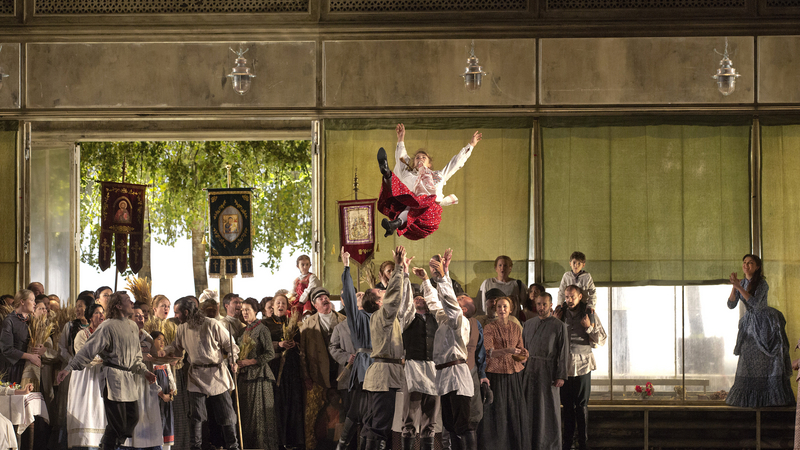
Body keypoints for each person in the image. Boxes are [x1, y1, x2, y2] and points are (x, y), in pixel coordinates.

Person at [57, 292, 157, 450]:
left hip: (129, 379)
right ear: (118, 305)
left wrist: (145, 372)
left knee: (132, 418)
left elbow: (136, 357)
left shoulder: (132, 326)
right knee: (117, 423)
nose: (132, 302)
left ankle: (110, 444)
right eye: (127, 300)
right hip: (114, 379)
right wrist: (68, 369)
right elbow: (87, 350)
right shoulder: (107, 326)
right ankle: (108, 446)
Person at [377, 123, 482, 239]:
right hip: (407, 209)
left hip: (428, 216)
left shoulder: (438, 175)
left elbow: (455, 163)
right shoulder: (408, 173)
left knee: (424, 200)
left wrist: (471, 145)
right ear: (413, 163)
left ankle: (397, 221)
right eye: (417, 158)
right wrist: (400, 138)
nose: (420, 159)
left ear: (429, 164)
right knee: (397, 182)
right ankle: (386, 173)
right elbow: (401, 158)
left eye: (423, 157)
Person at [415, 250, 476, 450]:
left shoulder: (459, 320)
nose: (456, 300)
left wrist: (442, 277)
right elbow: (435, 304)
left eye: (461, 300)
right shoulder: (447, 320)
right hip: (445, 375)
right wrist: (427, 280)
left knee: (462, 425)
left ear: (464, 309)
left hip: (457, 376)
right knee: (450, 425)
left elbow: (449, 302)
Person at [161, 297, 240, 450]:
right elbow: (177, 347)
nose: (176, 316)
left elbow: (231, 346)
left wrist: (232, 360)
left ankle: (233, 446)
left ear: (186, 312)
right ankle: (195, 447)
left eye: (177, 312)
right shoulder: (182, 328)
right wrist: (165, 352)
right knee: (196, 415)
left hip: (216, 373)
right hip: (196, 374)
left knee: (226, 413)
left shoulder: (211, 324)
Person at [361, 245, 414, 450]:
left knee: (371, 423)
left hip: (382, 374)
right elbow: (393, 296)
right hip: (383, 376)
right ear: (377, 302)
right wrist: (399, 268)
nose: (384, 291)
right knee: (379, 426)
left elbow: (402, 301)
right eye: (380, 293)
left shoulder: (383, 318)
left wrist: (405, 274)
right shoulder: (382, 315)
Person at [726, 254, 794, 407]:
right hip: (749, 325)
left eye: (750, 263)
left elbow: (756, 304)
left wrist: (739, 287)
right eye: (744, 262)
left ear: (757, 267)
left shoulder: (762, 283)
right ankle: (750, 398)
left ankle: (771, 398)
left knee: (768, 362)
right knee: (747, 360)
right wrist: (734, 286)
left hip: (765, 325)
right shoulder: (742, 282)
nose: (746, 265)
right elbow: (731, 305)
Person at [338, 248, 381, 450]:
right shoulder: (357, 318)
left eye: (364, 293)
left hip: (381, 366)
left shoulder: (380, 318)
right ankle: (343, 444)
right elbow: (348, 291)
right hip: (365, 366)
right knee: (358, 409)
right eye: (358, 294)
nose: (360, 294)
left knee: (375, 411)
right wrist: (346, 267)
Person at [555, 285, 606, 450]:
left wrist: (588, 327)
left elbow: (602, 339)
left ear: (580, 296)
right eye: (567, 296)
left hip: (583, 363)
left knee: (581, 405)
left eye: (573, 297)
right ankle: (567, 443)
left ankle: (583, 443)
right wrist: (555, 320)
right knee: (567, 405)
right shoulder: (559, 313)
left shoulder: (589, 314)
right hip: (564, 365)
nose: (569, 300)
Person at [479, 296, 530, 450]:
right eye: (499, 307)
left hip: (514, 374)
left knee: (514, 411)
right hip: (496, 373)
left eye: (505, 307)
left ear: (510, 309)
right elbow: (489, 353)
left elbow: (520, 350)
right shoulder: (489, 328)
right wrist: (507, 350)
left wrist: (524, 354)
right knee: (497, 411)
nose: (502, 310)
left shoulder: (516, 327)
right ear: (495, 309)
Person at [300, 287, 346, 450]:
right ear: (314, 304)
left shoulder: (343, 320)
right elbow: (303, 353)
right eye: (320, 298)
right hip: (318, 376)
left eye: (326, 297)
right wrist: (306, 376)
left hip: (341, 373)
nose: (325, 299)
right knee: (316, 415)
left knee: (341, 413)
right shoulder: (307, 325)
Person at [522, 292, 568, 450]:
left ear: (551, 305)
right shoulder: (528, 324)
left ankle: (549, 445)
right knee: (529, 407)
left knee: (548, 408)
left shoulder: (559, 326)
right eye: (539, 304)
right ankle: (530, 443)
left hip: (548, 372)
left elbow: (563, 352)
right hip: (529, 371)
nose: (541, 307)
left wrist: (561, 375)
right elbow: (522, 350)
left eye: (544, 304)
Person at [399, 281, 439, 450]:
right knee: (410, 412)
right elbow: (404, 305)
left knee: (431, 414)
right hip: (413, 367)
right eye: (416, 298)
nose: (419, 299)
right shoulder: (408, 318)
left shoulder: (435, 318)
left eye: (422, 297)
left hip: (433, 367)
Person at [263, 292, 305, 450]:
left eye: (284, 304)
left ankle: (294, 440)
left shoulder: (292, 323)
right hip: (274, 367)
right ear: (272, 306)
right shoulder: (265, 324)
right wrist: (278, 345)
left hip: (291, 368)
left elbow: (301, 344)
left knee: (293, 402)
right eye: (278, 303)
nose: (281, 306)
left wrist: (294, 345)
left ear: (287, 308)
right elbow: (261, 345)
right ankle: (278, 441)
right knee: (278, 403)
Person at [237, 297, 279, 450]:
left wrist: (250, 361)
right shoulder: (242, 331)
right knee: (246, 414)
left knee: (259, 414)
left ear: (256, 311)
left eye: (247, 309)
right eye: (242, 310)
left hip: (260, 376)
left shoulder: (262, 328)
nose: (244, 313)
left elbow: (269, 353)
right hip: (243, 376)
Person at [0, 289, 43, 384]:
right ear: (22, 302)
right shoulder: (9, 321)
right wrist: (30, 357)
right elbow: (6, 349)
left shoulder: (33, 321)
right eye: (31, 300)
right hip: (13, 369)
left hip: (30, 368)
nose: (34, 303)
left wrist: (42, 349)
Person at [328, 315, 357, 450]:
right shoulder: (340, 327)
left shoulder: (371, 323)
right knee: (349, 412)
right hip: (348, 376)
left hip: (368, 376)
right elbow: (333, 347)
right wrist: (346, 357)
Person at [149, 330, 176, 448]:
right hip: (155, 399)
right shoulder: (150, 360)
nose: (162, 342)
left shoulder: (164, 361)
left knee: (166, 424)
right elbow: (151, 380)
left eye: (163, 340)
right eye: (159, 339)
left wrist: (171, 392)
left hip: (166, 400)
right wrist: (161, 394)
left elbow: (170, 377)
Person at [556, 251, 597, 320]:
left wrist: (591, 305)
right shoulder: (566, 276)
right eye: (574, 262)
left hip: (583, 304)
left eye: (579, 263)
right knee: (558, 314)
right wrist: (560, 303)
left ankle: (591, 329)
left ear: (583, 265)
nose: (576, 265)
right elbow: (561, 291)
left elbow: (593, 292)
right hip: (569, 303)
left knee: (591, 316)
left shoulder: (587, 276)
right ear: (570, 263)